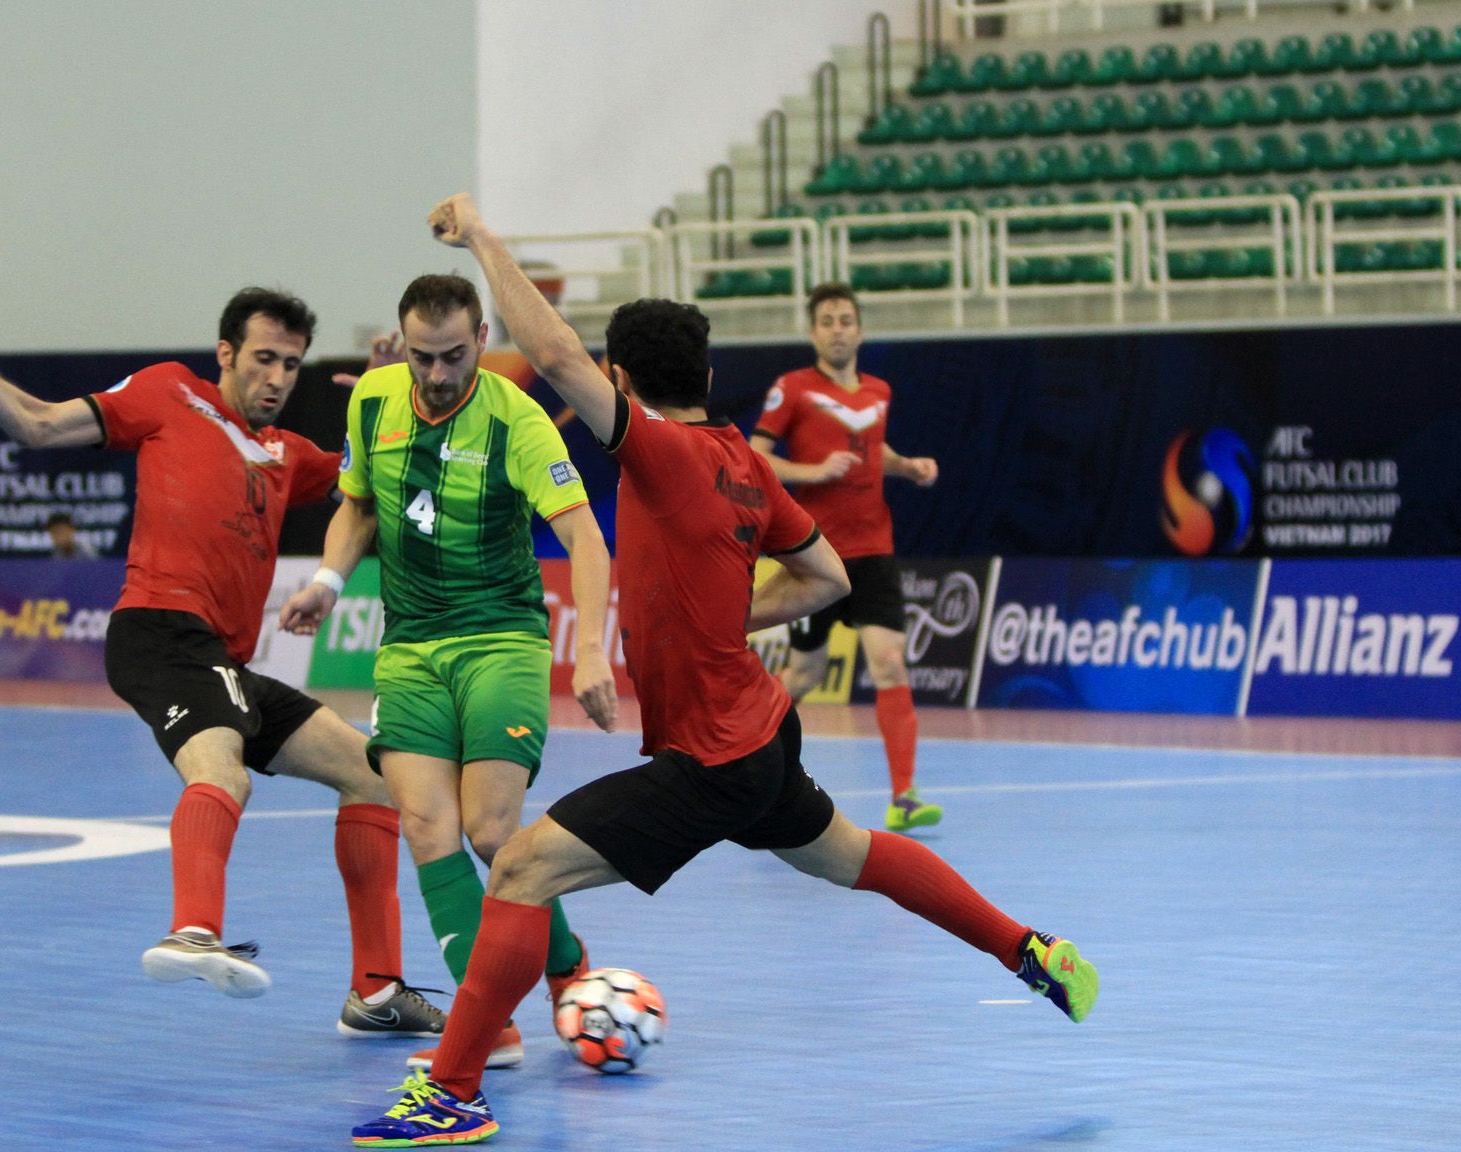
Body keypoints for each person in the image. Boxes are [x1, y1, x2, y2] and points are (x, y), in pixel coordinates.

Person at [349, 195, 1099, 1147]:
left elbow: (557, 358)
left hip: (710, 757)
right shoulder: (746, 461)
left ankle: (453, 1092)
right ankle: (1027, 948)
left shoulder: (657, 452)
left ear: (625, 379)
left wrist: (484, 240)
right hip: (759, 733)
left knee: (524, 869)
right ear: (705, 373)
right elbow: (826, 576)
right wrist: (724, 615)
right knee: (853, 857)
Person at [0, 287, 444, 1040]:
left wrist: (394, 405)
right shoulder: (170, 394)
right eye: (263, 359)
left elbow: (377, 490)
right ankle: (191, 930)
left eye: (290, 365)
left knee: (375, 775)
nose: (277, 378)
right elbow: (35, 424)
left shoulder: (289, 456)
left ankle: (376, 990)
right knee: (221, 772)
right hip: (160, 633)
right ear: (225, 354)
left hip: (222, 661)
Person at [281, 274, 618, 1071]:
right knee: (429, 827)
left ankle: (568, 970)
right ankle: (488, 1028)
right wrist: (328, 584)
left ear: (482, 338)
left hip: (501, 638)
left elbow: (586, 538)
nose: (438, 375)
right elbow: (357, 504)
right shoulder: (373, 400)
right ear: (403, 343)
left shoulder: (518, 419)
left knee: (493, 830)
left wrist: (596, 646)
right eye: (423, 358)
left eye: (456, 356)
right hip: (408, 648)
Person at [750, 283, 944, 834]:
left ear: (860, 330)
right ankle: (750, 765)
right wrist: (811, 472)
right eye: (828, 321)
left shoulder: (879, 391)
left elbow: (869, 449)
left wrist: (906, 467)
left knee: (889, 662)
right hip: (815, 557)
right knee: (805, 673)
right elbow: (754, 457)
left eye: (846, 320)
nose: (838, 329)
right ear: (813, 332)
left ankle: (904, 796)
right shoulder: (792, 389)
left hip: (874, 553)